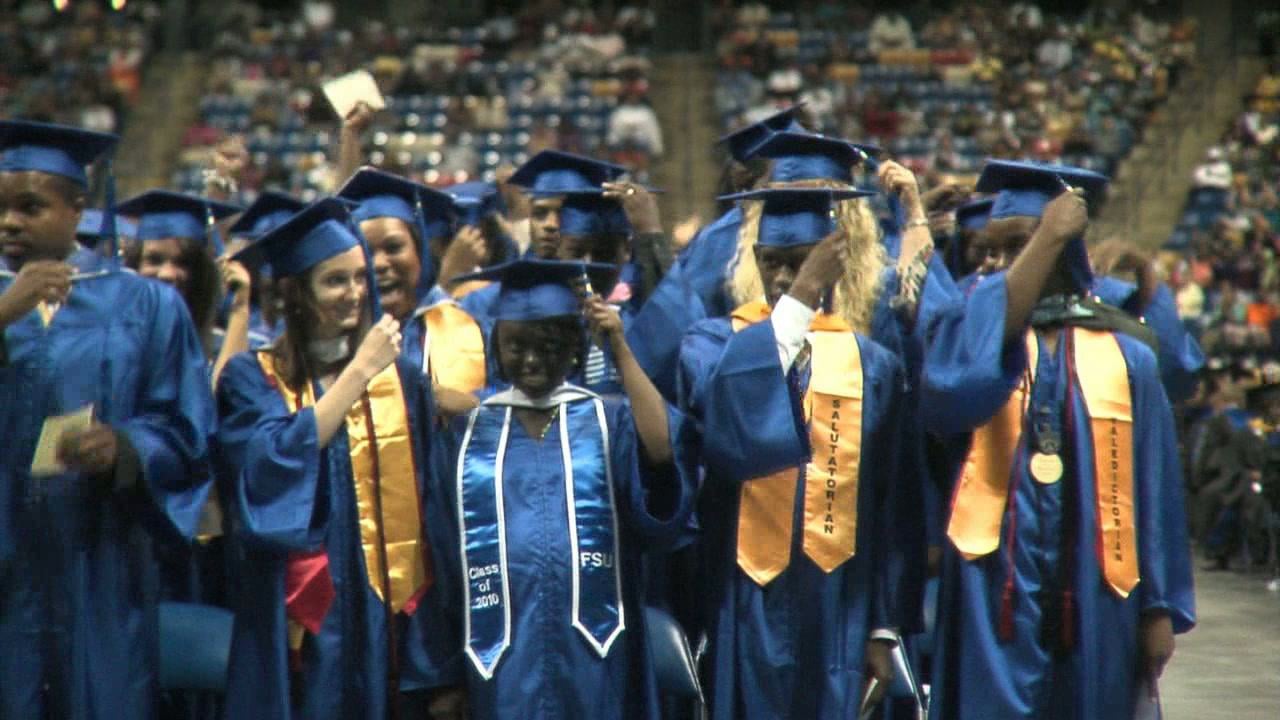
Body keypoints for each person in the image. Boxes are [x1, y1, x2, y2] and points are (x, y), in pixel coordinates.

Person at [922, 160, 1195, 719]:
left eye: (1022, 245)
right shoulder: (973, 346)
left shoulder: (1129, 360)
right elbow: (947, 401)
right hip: (989, 584)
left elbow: (1156, 490)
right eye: (993, 251)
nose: (1008, 264)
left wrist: (1159, 608)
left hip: (1099, 591)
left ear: (1067, 254)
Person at [0, 119, 215, 718]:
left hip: (103, 558)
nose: (9, 222)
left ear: (77, 209)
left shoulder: (145, 304)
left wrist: (125, 447)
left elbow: (186, 429)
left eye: (29, 206)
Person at [215, 199, 462, 719]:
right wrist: (358, 372)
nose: (354, 293)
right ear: (297, 293)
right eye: (334, 282)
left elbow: (433, 518)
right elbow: (267, 472)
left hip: (391, 618)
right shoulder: (253, 377)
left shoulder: (404, 383)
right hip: (304, 621)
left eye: (358, 277)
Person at [678, 187, 917, 719]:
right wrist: (802, 294)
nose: (784, 278)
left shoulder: (873, 364)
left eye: (798, 264)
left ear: (833, 263)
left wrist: (882, 625)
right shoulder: (711, 344)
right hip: (739, 594)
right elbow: (722, 431)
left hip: (837, 600)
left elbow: (887, 506)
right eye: (772, 263)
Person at [441, 258, 696, 719]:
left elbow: (661, 453)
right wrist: (441, 674)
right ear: (496, 348)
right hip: (499, 659)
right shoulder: (469, 433)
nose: (533, 359)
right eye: (516, 346)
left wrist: (618, 344)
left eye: (550, 344)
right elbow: (443, 556)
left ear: (576, 349)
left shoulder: (608, 417)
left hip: (600, 656)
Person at [114, 189, 243, 359]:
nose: (167, 274)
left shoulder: (218, 352)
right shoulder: (111, 346)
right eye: (154, 260)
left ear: (201, 274)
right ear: (134, 266)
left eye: (183, 263)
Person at [337, 167, 459, 319]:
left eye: (393, 248)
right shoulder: (338, 341)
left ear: (420, 252)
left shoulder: (463, 330)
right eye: (365, 252)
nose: (379, 264)